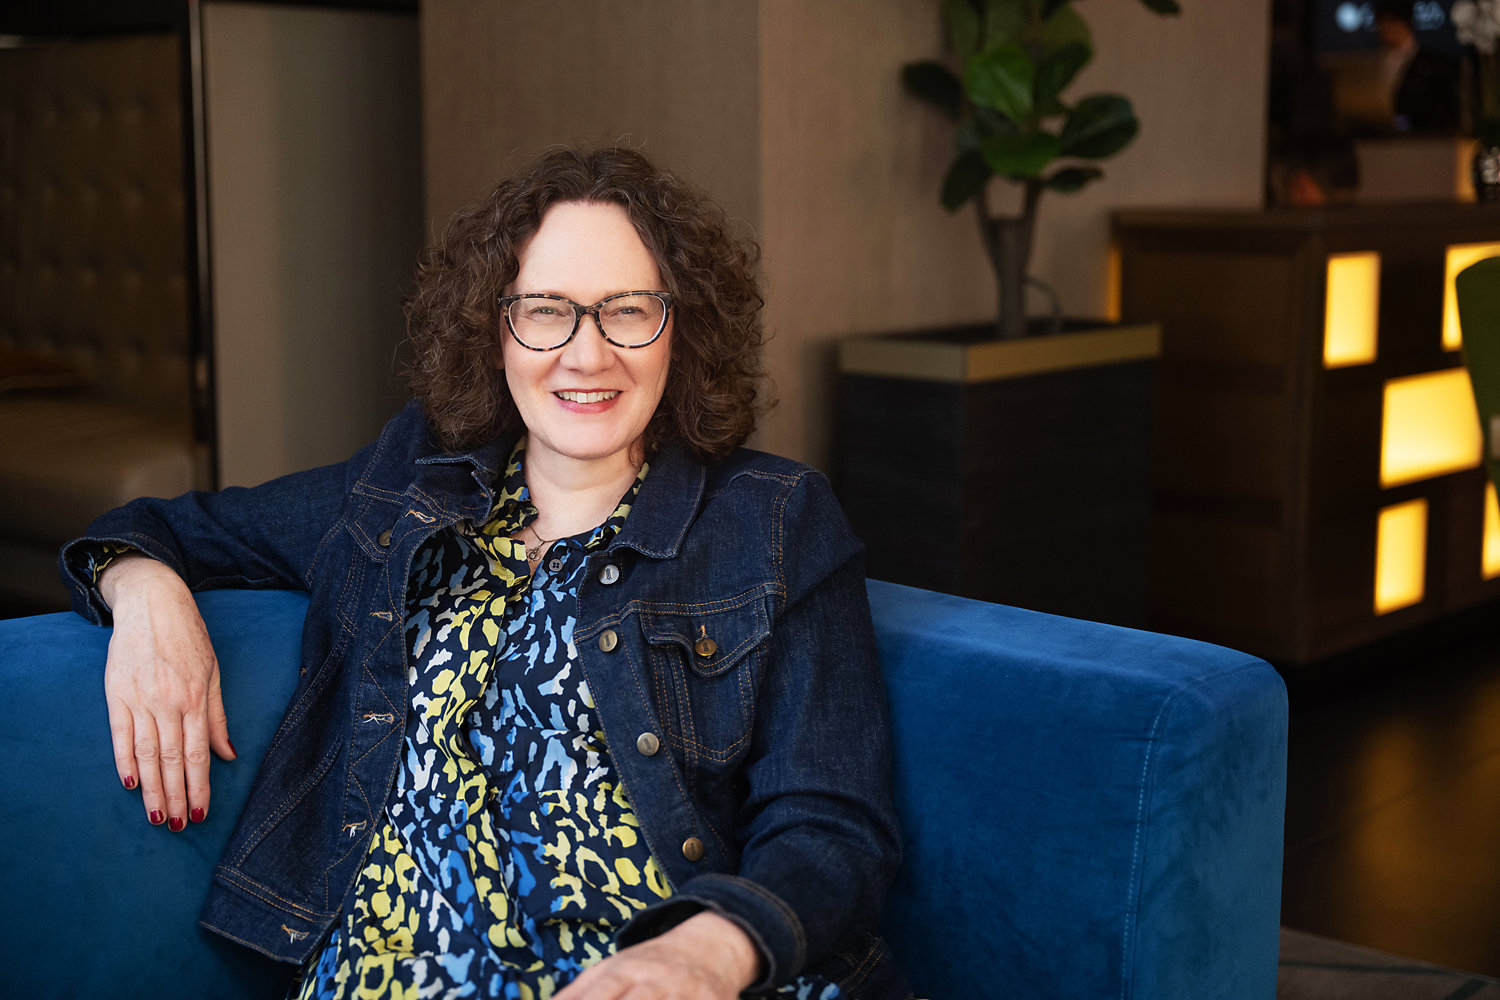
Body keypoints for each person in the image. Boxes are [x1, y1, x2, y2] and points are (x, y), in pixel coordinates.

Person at [62, 147, 910, 1000]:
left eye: (628, 311)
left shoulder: (771, 518)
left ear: (680, 330)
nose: (587, 355)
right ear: (495, 331)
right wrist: (143, 593)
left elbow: (832, 824)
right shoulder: (400, 487)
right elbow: (157, 527)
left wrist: (701, 955)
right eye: (547, 312)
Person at [1375, 0, 1460, 133]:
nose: (1385, 28)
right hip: (1378, 141)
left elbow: (1445, 112)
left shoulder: (1435, 65)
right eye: (1380, 23)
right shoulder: (1371, 63)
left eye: (1391, 21)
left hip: (1423, 142)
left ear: (1406, 22)